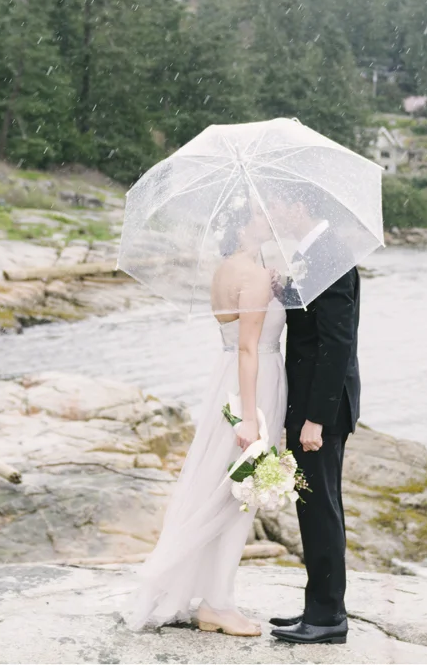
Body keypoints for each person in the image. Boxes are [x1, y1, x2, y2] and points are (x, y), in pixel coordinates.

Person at [122, 199, 286, 636]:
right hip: (252, 384)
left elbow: (235, 337)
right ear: (241, 227)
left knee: (223, 486)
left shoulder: (228, 269)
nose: (268, 220)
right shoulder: (251, 276)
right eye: (259, 215)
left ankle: (213, 597)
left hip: (227, 380)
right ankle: (218, 604)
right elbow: (250, 348)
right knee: (237, 492)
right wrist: (250, 419)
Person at [265, 195, 361, 646]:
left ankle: (327, 616)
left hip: (320, 411)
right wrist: (282, 291)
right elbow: (311, 319)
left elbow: (336, 343)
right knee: (315, 505)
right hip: (307, 404)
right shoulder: (311, 253)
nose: (273, 213)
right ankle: (318, 606)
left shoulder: (331, 255)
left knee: (319, 506)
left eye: (278, 205)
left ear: (298, 205)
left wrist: (316, 421)